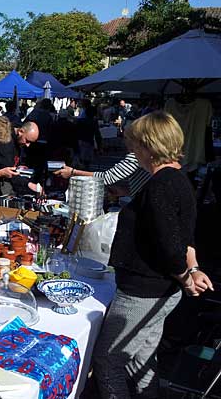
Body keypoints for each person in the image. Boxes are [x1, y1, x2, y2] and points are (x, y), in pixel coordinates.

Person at [92, 112, 213, 399]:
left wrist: (186, 276)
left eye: (134, 144)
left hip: (143, 290)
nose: (131, 150)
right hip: (161, 290)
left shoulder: (161, 185)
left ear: (148, 145)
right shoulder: (180, 180)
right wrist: (193, 270)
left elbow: (171, 247)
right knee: (141, 357)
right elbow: (185, 239)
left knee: (108, 360)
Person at [54, 152, 151, 197]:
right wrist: (126, 191)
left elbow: (107, 177)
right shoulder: (149, 156)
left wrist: (73, 172)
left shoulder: (137, 156)